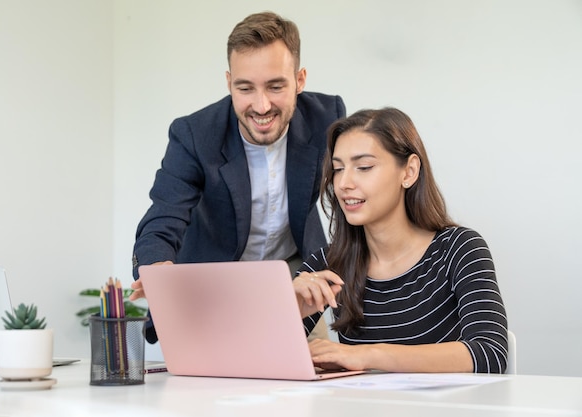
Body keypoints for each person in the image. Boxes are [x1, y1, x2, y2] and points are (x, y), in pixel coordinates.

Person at [130, 12, 346, 343]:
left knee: (311, 377)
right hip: (216, 284)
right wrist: (158, 268)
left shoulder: (326, 118)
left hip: (293, 280)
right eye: (245, 88)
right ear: (229, 82)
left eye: (275, 86)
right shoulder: (194, 135)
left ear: (300, 80)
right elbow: (162, 218)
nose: (261, 106)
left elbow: (357, 197)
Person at [294, 108, 509, 373]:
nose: (344, 183)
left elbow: (490, 352)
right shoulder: (327, 264)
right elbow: (256, 359)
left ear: (409, 172)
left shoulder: (460, 249)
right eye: (338, 169)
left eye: (364, 167)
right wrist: (289, 311)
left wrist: (368, 355)